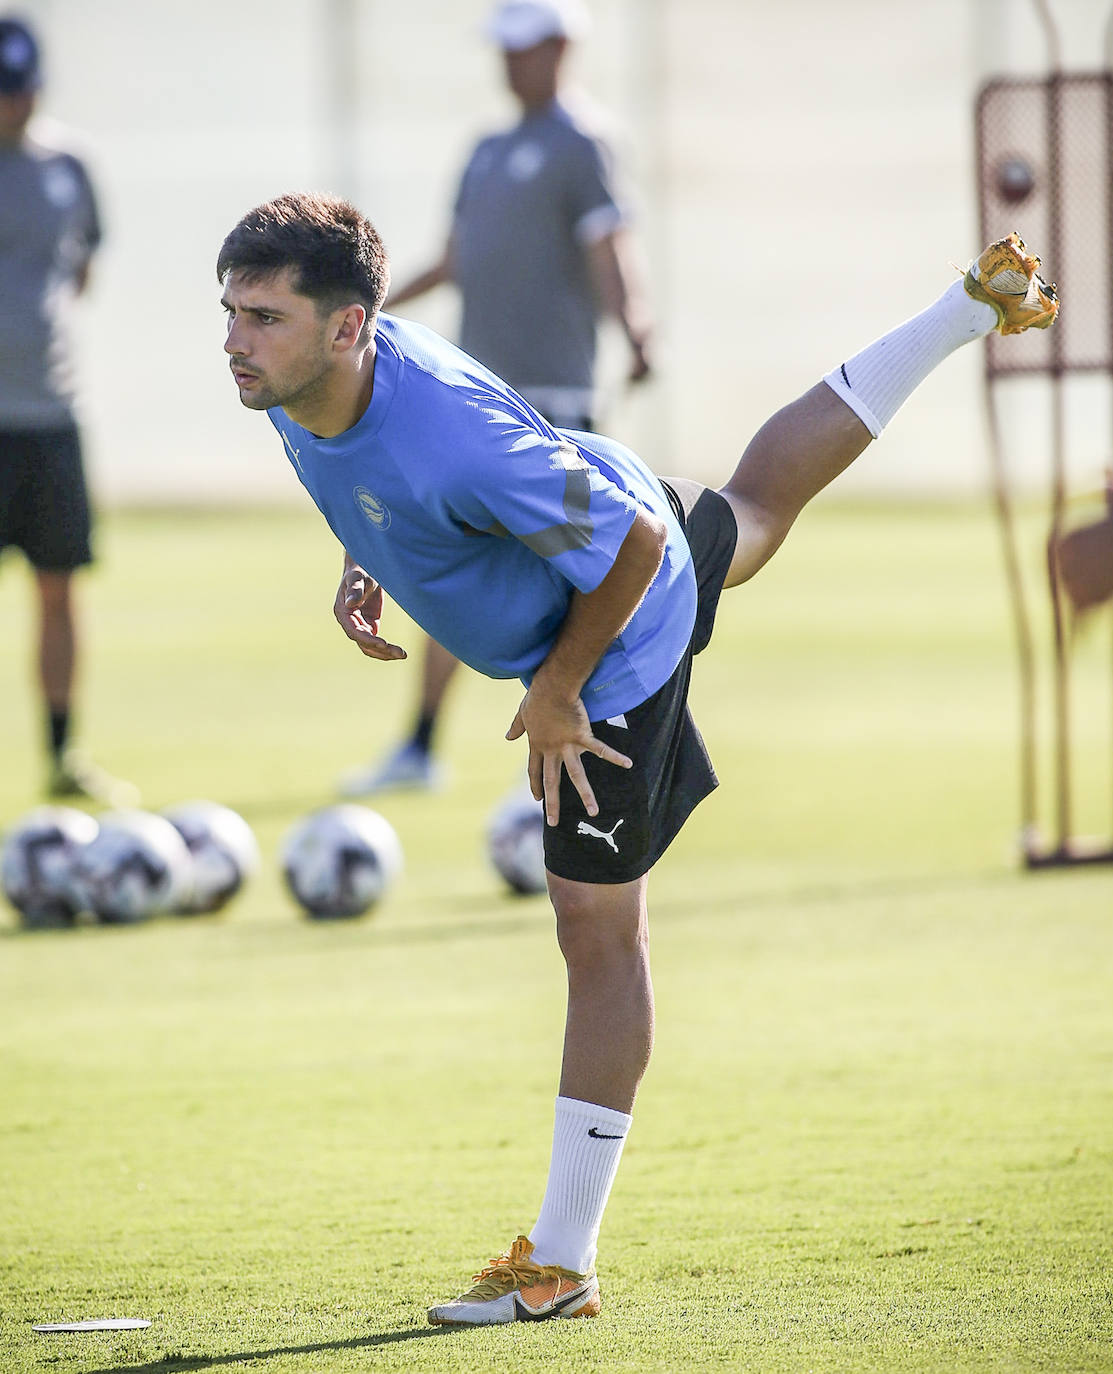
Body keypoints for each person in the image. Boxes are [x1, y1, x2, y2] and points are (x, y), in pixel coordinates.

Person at [216, 194, 1057, 1325]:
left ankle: (562, 1265)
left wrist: (558, 692)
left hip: (618, 624)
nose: (236, 342)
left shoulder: (449, 436)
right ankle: (965, 309)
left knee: (595, 929)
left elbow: (635, 549)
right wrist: (369, 553)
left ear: (349, 327)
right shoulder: (297, 381)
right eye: (231, 313)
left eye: (263, 317)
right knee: (754, 514)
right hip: (599, 493)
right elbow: (364, 471)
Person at [337, 0, 653, 797]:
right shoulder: (485, 150)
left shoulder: (583, 143)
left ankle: (577, 730)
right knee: (457, 574)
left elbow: (608, 245)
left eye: (524, 48)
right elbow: (453, 258)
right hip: (470, 407)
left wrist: (637, 329)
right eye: (504, 50)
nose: (511, 64)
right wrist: (365, 312)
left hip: (552, 404)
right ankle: (419, 748)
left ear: (560, 46)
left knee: (579, 579)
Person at [0, 15, 136, 806]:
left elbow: (82, 266)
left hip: (50, 413)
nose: (11, 107)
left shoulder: (69, 167)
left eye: (21, 91)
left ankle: (61, 754)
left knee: (58, 587)